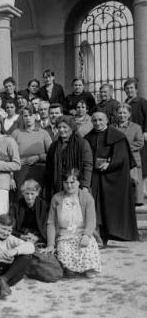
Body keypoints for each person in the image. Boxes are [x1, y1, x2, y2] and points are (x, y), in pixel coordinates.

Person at [85, 112, 139, 244]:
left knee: (109, 208)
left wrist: (110, 163)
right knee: (97, 207)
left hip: (113, 178)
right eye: (95, 120)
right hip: (96, 176)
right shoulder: (88, 137)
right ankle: (99, 237)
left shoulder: (117, 136)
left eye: (100, 120)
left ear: (107, 120)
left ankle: (111, 235)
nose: (97, 123)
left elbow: (122, 157)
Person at [45, 169, 101, 278]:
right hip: (64, 236)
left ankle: (88, 267)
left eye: (72, 182)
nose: (69, 186)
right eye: (66, 182)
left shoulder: (87, 197)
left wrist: (87, 235)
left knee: (88, 249)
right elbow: (51, 223)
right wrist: (51, 244)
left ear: (79, 182)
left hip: (82, 234)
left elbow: (91, 220)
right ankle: (71, 269)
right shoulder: (56, 198)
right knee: (69, 271)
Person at [44, 116, 93, 200]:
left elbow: (87, 165)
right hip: (58, 186)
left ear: (71, 128)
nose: (61, 130)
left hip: (77, 185)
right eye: (59, 127)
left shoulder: (82, 144)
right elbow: (49, 168)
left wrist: (85, 186)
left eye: (64, 127)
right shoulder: (54, 146)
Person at [11, 105, 52, 190]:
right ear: (22, 117)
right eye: (25, 116)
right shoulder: (16, 133)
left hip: (40, 170)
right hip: (20, 171)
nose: (28, 118)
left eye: (30, 115)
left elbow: (52, 155)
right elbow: (9, 156)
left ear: (35, 116)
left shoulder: (44, 133)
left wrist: (38, 157)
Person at [114, 103, 144, 205]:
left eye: (124, 113)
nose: (122, 115)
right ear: (116, 114)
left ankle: (137, 201)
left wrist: (125, 148)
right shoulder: (112, 128)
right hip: (118, 158)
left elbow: (140, 142)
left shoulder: (136, 127)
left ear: (129, 114)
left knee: (135, 180)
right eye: (120, 113)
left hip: (133, 158)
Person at [124, 77, 147, 193]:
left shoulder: (142, 102)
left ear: (136, 89)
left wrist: (146, 132)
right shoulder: (125, 103)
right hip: (129, 136)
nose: (129, 90)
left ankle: (143, 189)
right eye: (127, 88)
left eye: (131, 88)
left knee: (142, 161)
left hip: (140, 136)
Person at [9, 179, 49, 245]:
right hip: (22, 234)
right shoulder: (16, 205)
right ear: (23, 193)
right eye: (27, 193)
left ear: (37, 193)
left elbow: (46, 226)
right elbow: (10, 226)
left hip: (38, 235)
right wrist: (21, 236)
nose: (29, 197)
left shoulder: (43, 205)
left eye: (32, 194)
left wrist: (37, 237)